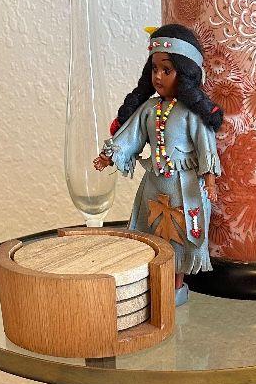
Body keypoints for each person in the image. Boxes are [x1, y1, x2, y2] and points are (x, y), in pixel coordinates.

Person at [93, 24, 223, 299]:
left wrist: (210, 180)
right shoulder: (149, 109)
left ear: (186, 73)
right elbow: (132, 135)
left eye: (167, 70)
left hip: (184, 186)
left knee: (180, 235)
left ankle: (176, 286)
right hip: (154, 184)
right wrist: (111, 155)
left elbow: (205, 145)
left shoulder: (192, 113)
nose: (158, 77)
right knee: (151, 230)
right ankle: (154, 280)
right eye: (154, 69)